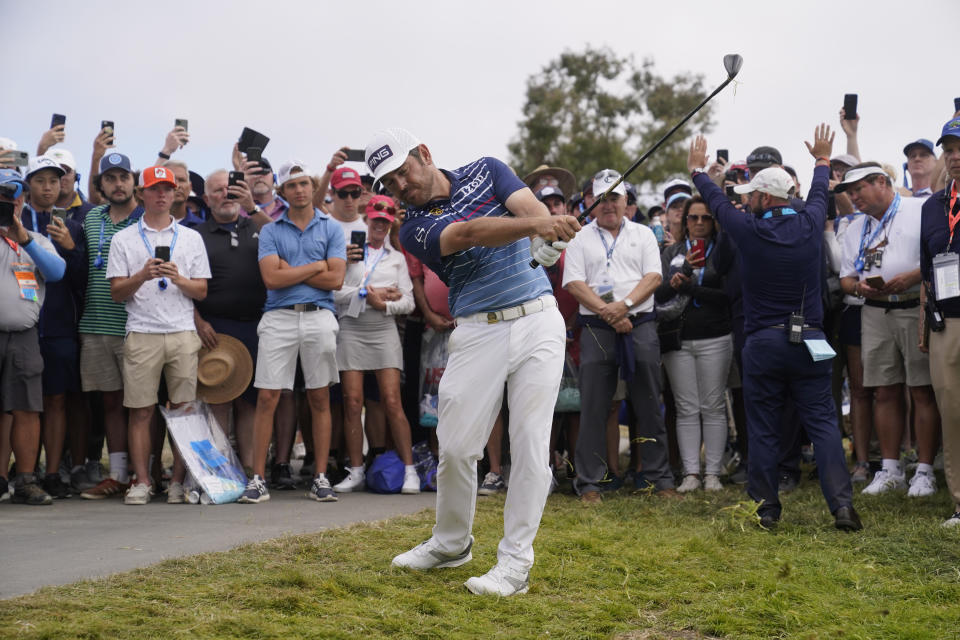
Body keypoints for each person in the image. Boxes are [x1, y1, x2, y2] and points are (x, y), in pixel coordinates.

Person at [369, 127, 579, 596]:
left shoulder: (488, 170)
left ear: (423, 154)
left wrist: (547, 235)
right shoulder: (414, 229)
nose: (401, 186)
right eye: (389, 184)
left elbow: (533, 211)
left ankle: (515, 564)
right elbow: (468, 233)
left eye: (403, 172)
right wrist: (537, 229)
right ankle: (450, 543)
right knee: (458, 446)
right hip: (477, 329)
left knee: (529, 444)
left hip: (538, 320)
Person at [687, 124, 861, 531]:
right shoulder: (811, 221)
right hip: (811, 340)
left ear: (765, 197)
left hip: (763, 342)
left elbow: (716, 202)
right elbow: (820, 191)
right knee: (823, 423)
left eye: (752, 196)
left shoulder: (750, 230)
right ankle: (842, 507)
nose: (746, 203)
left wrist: (698, 171)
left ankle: (767, 509)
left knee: (763, 426)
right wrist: (821, 159)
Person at [562, 169, 674, 503]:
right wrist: (607, 312)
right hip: (597, 328)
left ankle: (658, 477)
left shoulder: (642, 234)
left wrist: (622, 306)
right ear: (593, 203)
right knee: (595, 406)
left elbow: (654, 277)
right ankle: (591, 482)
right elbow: (574, 283)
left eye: (615, 197)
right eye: (602, 198)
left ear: (626, 201)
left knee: (650, 403)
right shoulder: (580, 237)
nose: (609, 204)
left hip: (639, 323)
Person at [239, 160, 346, 504]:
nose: (299, 190)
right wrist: (317, 266)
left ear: (312, 187)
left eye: (304, 184)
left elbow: (336, 279)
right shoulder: (271, 231)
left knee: (318, 396)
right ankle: (257, 478)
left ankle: (320, 477)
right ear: (282, 192)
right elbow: (272, 279)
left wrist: (295, 270)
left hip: (319, 316)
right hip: (279, 317)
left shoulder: (331, 228)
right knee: (268, 396)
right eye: (292, 185)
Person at [106, 165, 211, 504]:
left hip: (181, 332)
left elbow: (202, 292)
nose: (163, 194)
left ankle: (177, 482)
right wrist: (142, 275)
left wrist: (178, 278)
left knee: (183, 409)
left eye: (168, 188)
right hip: (142, 332)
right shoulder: (124, 238)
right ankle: (142, 480)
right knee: (140, 411)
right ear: (142, 194)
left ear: (176, 192)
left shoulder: (191, 237)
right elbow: (117, 293)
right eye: (155, 188)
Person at [837, 162, 941, 498]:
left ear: (882, 181)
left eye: (858, 190)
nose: (854, 198)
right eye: (850, 193)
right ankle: (890, 468)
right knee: (884, 390)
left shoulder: (919, 209)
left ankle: (924, 470)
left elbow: (936, 254)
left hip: (914, 306)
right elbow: (846, 278)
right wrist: (858, 289)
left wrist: (911, 277)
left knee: (922, 390)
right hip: (875, 311)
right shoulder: (855, 227)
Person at [333, 195, 420, 494]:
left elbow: (408, 302)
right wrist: (366, 294)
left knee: (391, 400)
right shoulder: (347, 253)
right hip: (352, 328)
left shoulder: (396, 258)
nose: (379, 225)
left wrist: (384, 305)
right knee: (353, 402)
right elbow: (333, 293)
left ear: (390, 222)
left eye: (385, 221)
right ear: (366, 220)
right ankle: (356, 470)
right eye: (375, 220)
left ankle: (410, 471)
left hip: (383, 329)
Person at [655, 195, 734, 493]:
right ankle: (690, 473)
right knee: (686, 407)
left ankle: (712, 472)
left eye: (706, 218)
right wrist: (683, 273)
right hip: (678, 337)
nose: (699, 223)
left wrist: (692, 287)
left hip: (716, 335)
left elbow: (729, 296)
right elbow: (658, 296)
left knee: (713, 406)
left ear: (714, 222)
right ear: (684, 221)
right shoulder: (671, 252)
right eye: (693, 218)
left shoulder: (724, 252)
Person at [20, 156, 87, 499]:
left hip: (60, 324)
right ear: (27, 184)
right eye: (40, 180)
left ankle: (52, 472)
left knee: (58, 399)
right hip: (22, 323)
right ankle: (21, 472)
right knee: (22, 403)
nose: (48, 187)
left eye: (54, 181)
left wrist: (71, 249)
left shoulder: (73, 227)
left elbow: (82, 282)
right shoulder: (14, 220)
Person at [77, 152, 143, 499]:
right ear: (100, 184)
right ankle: (117, 474)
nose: (118, 184)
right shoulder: (91, 218)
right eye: (110, 178)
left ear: (134, 181)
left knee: (144, 404)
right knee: (112, 404)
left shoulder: (148, 219)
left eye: (123, 177)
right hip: (97, 323)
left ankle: (144, 473)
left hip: (138, 325)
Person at [0, 168, 67, 505]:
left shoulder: (36, 240)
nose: (6, 202)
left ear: (21, 201)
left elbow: (57, 272)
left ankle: (25, 480)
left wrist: (23, 238)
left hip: (24, 335)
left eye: (12, 196)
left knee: (27, 407)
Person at [193, 169, 267, 473]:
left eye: (230, 188)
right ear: (207, 199)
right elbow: (182, 285)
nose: (226, 194)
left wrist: (253, 207)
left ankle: (250, 468)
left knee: (250, 401)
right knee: (218, 398)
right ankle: (221, 469)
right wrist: (197, 321)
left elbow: (285, 240)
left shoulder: (257, 226)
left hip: (255, 325)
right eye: (218, 190)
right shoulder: (196, 235)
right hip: (214, 327)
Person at [920, 116, 960, 526]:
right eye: (949, 149)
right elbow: (926, 267)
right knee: (952, 411)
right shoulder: (933, 206)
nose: (955, 156)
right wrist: (923, 324)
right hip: (945, 321)